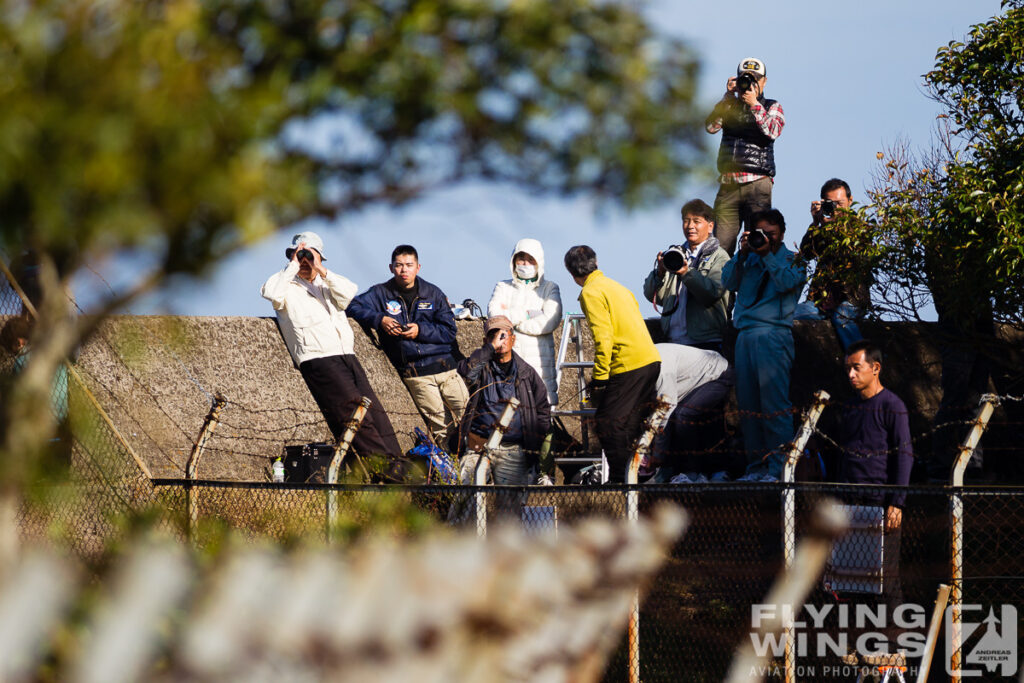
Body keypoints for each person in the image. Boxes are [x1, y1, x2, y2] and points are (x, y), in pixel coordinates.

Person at [261, 232, 404, 472]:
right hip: (317, 358)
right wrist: (293, 265)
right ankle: (389, 473)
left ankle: (399, 464)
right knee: (355, 418)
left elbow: (350, 293)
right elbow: (270, 293)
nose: (305, 261)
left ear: (320, 258)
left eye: (310, 255)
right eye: (298, 255)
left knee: (375, 413)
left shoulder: (327, 284)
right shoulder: (284, 284)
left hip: (346, 355)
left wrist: (321, 270)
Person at [833, 339, 913, 668]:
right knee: (853, 580)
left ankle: (896, 648)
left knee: (886, 580)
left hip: (880, 504)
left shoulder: (892, 405)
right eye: (848, 368)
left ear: (875, 368)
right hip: (851, 505)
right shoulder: (851, 408)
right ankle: (866, 644)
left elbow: (905, 455)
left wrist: (897, 502)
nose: (851, 374)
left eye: (857, 367)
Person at [347, 244, 468, 450]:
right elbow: (352, 306)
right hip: (417, 374)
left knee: (470, 420)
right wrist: (380, 319)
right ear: (391, 267)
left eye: (409, 265)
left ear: (418, 267)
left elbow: (449, 331)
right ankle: (454, 476)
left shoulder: (433, 293)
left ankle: (481, 472)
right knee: (442, 430)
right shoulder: (380, 293)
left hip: (447, 369)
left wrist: (419, 331)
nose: (404, 270)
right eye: (399, 265)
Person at [564, 245, 661, 483]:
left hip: (629, 363)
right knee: (625, 423)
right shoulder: (617, 287)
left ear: (572, 274)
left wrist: (599, 377)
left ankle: (621, 479)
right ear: (595, 263)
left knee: (607, 421)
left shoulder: (591, 292)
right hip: (650, 359)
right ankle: (633, 475)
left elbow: (603, 337)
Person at [722, 209, 806, 481]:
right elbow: (727, 282)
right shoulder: (747, 259)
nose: (765, 239)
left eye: (771, 234)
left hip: (773, 335)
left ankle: (779, 469)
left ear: (781, 234)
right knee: (749, 408)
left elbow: (786, 283)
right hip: (745, 334)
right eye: (761, 234)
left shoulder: (793, 260)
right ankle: (756, 467)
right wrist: (743, 253)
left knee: (775, 406)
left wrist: (766, 254)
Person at [456, 315, 551, 485]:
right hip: (477, 446)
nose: (500, 340)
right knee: (467, 498)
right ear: (485, 340)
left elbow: (542, 410)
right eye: (494, 335)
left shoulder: (526, 373)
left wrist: (534, 442)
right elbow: (467, 373)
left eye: (504, 335)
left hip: (512, 449)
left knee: (510, 506)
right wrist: (490, 347)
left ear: (513, 339)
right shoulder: (480, 366)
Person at [705, 57, 785, 255]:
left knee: (758, 242)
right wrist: (727, 96)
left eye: (755, 78)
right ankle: (721, 285)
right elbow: (711, 127)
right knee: (720, 248)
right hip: (728, 184)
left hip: (757, 183)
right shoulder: (729, 105)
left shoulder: (771, 106)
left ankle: (754, 284)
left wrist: (754, 104)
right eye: (745, 78)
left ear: (764, 81)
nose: (749, 83)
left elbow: (773, 130)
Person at [643, 199, 730, 351]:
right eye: (686, 221)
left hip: (705, 342)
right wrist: (660, 272)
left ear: (710, 226)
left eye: (696, 221)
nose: (690, 226)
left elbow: (712, 293)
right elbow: (653, 296)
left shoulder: (720, 257)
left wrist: (686, 272)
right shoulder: (675, 255)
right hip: (673, 340)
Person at [795, 178, 869, 350]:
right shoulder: (822, 228)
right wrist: (816, 223)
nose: (836, 209)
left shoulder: (861, 228)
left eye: (840, 204)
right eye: (831, 204)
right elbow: (805, 254)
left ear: (850, 201)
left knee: (842, 316)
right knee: (788, 314)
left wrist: (836, 228)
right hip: (819, 302)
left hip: (852, 299)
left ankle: (861, 361)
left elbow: (860, 263)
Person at [487, 239, 563, 405]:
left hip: (540, 365)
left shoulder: (550, 288)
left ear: (539, 262)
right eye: (521, 259)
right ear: (513, 261)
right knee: (507, 416)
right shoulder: (502, 286)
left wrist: (513, 323)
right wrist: (529, 314)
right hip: (508, 362)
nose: (525, 263)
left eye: (530, 259)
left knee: (539, 418)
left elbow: (550, 320)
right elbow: (495, 316)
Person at [648, 343, 735, 483]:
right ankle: (688, 470)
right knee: (680, 415)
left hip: (718, 373)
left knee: (683, 414)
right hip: (698, 378)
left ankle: (691, 472)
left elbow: (665, 408)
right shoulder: (649, 360)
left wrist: (658, 454)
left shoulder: (660, 368)